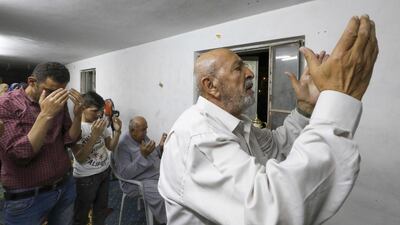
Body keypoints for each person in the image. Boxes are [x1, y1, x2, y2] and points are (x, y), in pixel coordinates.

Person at [158, 15, 378, 225]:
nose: (250, 73)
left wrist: (305, 109)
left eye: (245, 65)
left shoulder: (236, 123)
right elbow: (271, 211)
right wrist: (337, 101)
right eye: (238, 68)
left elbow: (275, 148)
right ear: (211, 86)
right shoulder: (197, 137)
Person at [0, 62, 84, 225]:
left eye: (59, 92)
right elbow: (21, 154)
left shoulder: (59, 102)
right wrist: (45, 114)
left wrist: (78, 115)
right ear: (32, 81)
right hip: (28, 196)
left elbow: (69, 139)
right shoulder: (5, 104)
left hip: (64, 186)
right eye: (50, 90)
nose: (54, 97)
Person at [71, 91, 122, 225]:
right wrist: (94, 135)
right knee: (81, 215)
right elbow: (80, 157)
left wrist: (117, 131)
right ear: (82, 108)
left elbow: (110, 146)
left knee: (100, 212)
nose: (98, 114)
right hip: (86, 178)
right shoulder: (76, 128)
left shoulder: (100, 123)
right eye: (94, 111)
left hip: (104, 172)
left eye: (100, 111)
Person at [113, 116, 167, 224]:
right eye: (143, 130)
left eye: (146, 128)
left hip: (152, 174)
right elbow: (124, 175)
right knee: (163, 196)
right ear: (133, 131)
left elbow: (151, 155)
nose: (146, 132)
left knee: (173, 185)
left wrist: (160, 147)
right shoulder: (123, 146)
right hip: (135, 183)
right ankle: (166, 221)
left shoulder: (141, 137)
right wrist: (142, 156)